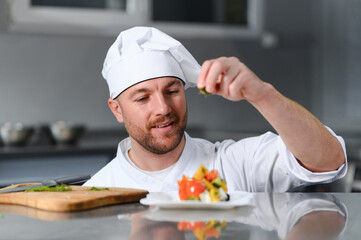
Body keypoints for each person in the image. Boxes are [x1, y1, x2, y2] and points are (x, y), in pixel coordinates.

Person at [84, 26, 347, 192]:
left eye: (172, 91)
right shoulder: (99, 190)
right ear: (117, 110)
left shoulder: (231, 163)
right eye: (142, 99)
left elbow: (328, 161)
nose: (163, 108)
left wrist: (262, 94)